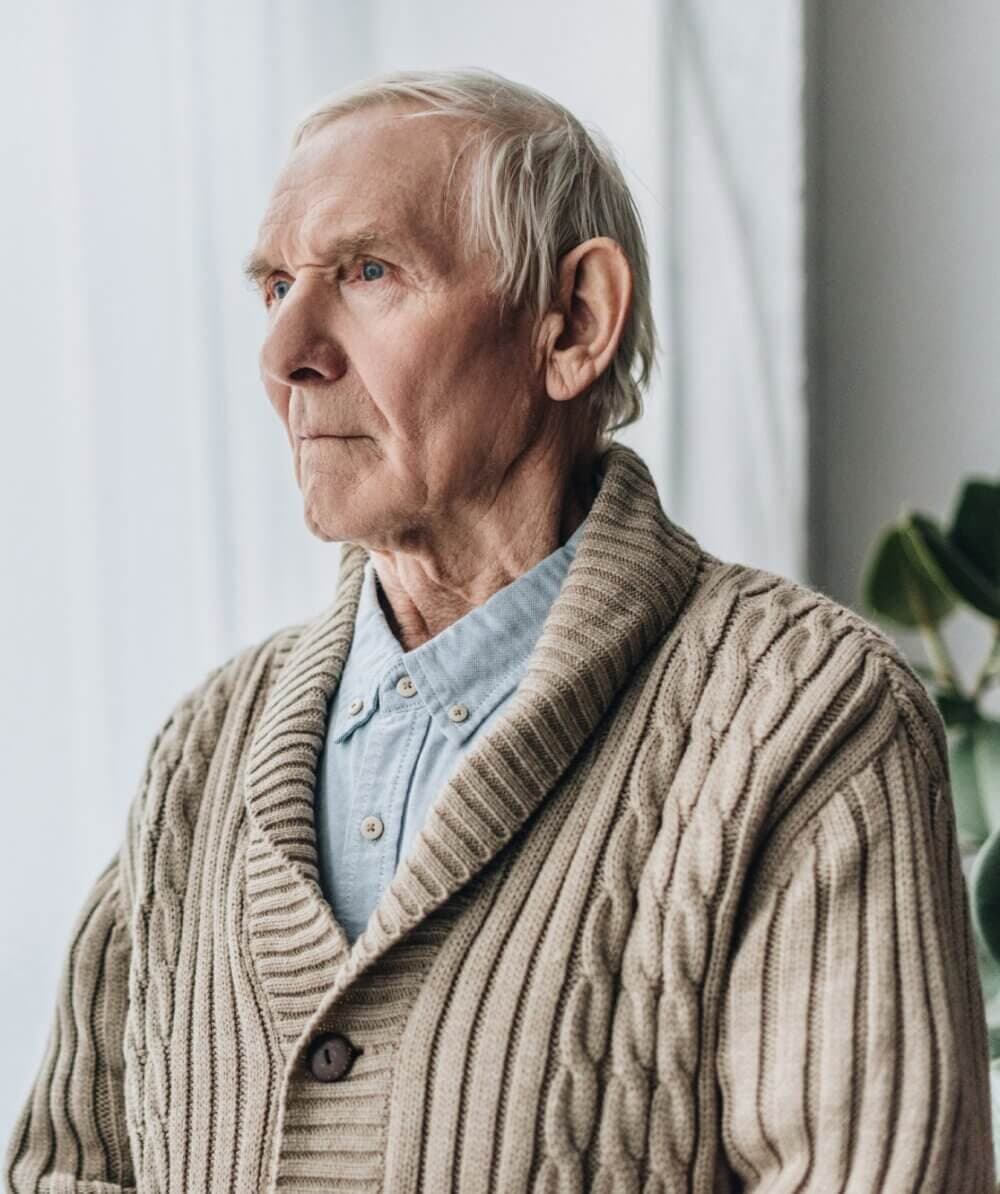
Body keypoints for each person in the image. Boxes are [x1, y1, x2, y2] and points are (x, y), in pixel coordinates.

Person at [5, 67, 994, 1193]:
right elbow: (65, 1167)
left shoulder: (808, 717)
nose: (285, 355)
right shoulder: (205, 751)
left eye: (368, 272)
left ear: (572, 322)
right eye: (274, 286)